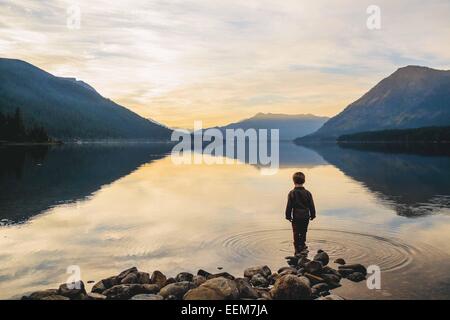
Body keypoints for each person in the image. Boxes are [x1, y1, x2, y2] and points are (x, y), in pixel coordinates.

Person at [285, 172, 316, 255]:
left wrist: (288, 216)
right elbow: (311, 205)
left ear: (293, 181)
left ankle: (296, 248)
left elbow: (289, 206)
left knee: (295, 231)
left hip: (296, 216)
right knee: (303, 231)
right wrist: (313, 215)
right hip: (305, 216)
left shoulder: (292, 193)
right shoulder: (308, 193)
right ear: (304, 181)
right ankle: (302, 245)